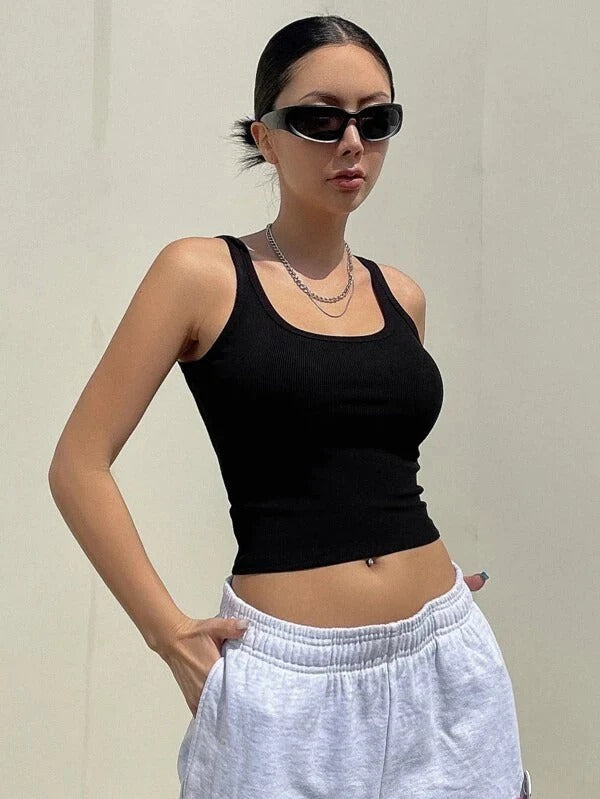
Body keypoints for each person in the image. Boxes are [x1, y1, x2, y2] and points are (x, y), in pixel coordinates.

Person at [48, 14, 531, 799]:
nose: (352, 142)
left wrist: (431, 589)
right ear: (264, 137)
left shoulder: (401, 295)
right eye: (320, 118)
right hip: (289, 680)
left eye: (376, 119)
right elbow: (78, 463)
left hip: (443, 656)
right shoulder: (200, 275)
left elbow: (368, 460)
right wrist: (167, 632)